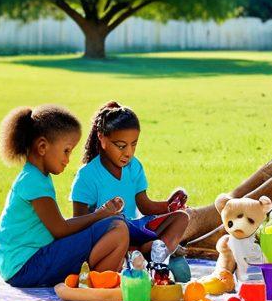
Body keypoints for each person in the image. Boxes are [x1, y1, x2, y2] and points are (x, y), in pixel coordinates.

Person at [0, 104, 129, 287]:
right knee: (117, 229)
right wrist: (100, 214)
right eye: (66, 150)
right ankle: (93, 284)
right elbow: (60, 230)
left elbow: (56, 228)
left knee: (115, 227)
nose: (68, 159)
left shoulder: (36, 176)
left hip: (24, 264)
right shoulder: (33, 181)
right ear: (42, 147)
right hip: (25, 267)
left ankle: (91, 279)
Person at [71, 101, 189, 257]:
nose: (128, 153)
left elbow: (145, 205)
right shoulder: (87, 176)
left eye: (134, 144)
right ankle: (143, 251)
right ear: (101, 137)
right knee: (119, 223)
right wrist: (104, 215)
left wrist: (170, 206)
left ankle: (151, 252)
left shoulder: (134, 167)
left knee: (181, 218)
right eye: (121, 146)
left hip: (135, 227)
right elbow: (78, 222)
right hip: (110, 233)